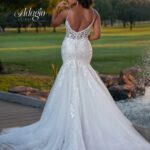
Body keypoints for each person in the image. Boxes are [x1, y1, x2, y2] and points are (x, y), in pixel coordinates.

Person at [0, 0, 150, 149]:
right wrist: (84, 38)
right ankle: (87, 123)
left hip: (70, 47)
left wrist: (57, 9)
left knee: (68, 76)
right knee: (86, 77)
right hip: (84, 48)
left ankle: (69, 123)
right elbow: (97, 35)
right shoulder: (95, 13)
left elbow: (53, 23)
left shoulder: (68, 12)